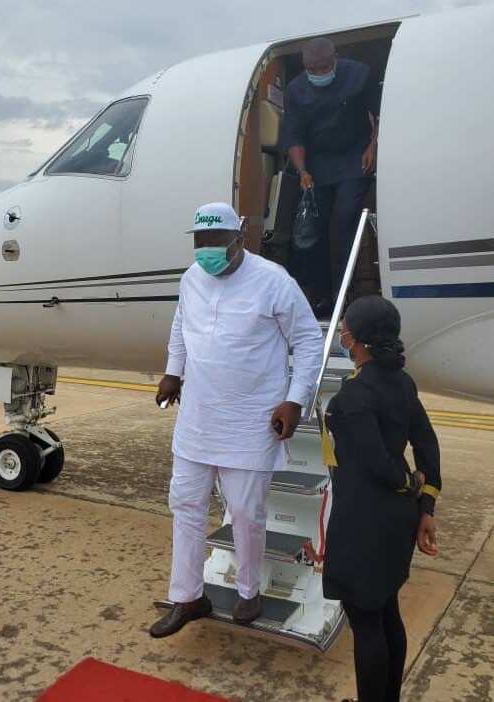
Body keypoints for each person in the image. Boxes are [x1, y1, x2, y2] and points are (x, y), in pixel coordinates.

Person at [149, 203, 322, 638]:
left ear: (238, 239)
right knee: (185, 506)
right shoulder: (192, 278)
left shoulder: (273, 281)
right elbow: (179, 327)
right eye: (199, 242)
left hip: (251, 421)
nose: (205, 251)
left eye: (215, 242)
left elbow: (308, 341)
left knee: (245, 512)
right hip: (198, 419)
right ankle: (187, 597)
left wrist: (295, 400)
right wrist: (173, 370)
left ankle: (249, 590)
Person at [323, 296, 441, 702]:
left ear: (358, 341)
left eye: (345, 329)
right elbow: (428, 444)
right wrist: (425, 504)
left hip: (364, 523)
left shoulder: (352, 397)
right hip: (397, 522)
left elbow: (376, 464)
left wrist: (409, 484)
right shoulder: (402, 382)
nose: (340, 333)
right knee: (386, 609)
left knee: (367, 622)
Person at [280, 37, 380, 317]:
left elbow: (381, 113)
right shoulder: (296, 90)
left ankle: (346, 294)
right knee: (318, 232)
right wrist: (303, 171)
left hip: (355, 158)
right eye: (314, 69)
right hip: (317, 165)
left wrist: (373, 144)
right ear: (305, 66)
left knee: (343, 221)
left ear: (335, 57)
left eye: (325, 67)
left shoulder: (360, 74)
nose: (321, 73)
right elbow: (294, 136)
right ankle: (322, 295)